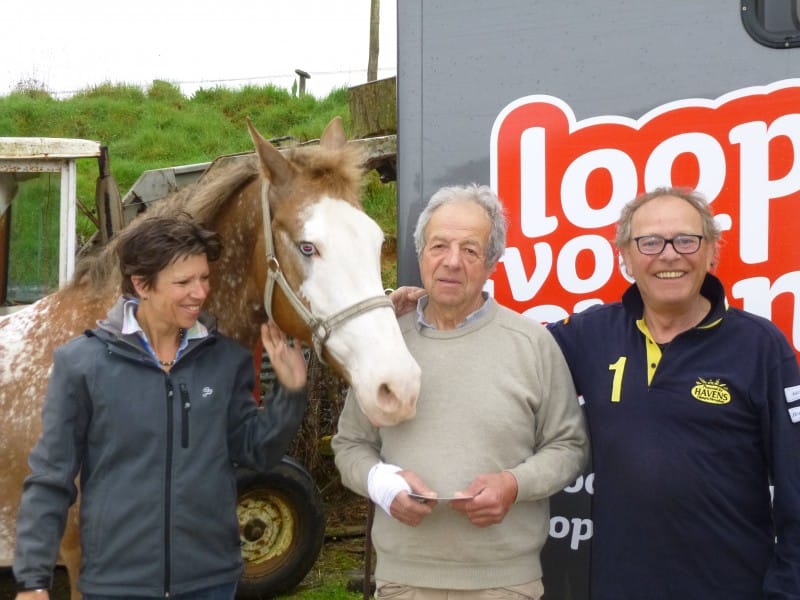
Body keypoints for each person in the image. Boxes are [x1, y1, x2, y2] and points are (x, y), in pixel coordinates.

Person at [13, 213, 308, 600]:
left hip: (210, 582)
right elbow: (51, 479)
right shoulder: (82, 364)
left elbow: (257, 450)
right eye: (183, 282)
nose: (200, 293)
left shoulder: (225, 361)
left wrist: (290, 392)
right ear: (141, 285)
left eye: (204, 278)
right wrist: (33, 580)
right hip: (116, 585)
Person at [332, 184, 588, 600]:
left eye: (470, 250)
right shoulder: (386, 342)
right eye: (439, 246)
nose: (452, 262)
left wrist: (513, 484)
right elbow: (350, 445)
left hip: (506, 584)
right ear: (420, 254)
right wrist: (381, 483)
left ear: (491, 264)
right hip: (402, 583)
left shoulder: (531, 343)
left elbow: (569, 447)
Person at [547, 187, 800, 599]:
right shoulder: (591, 335)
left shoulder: (760, 346)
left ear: (711, 252)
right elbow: (507, 353)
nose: (669, 255)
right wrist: (417, 310)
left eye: (686, 240)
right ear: (625, 256)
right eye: (649, 242)